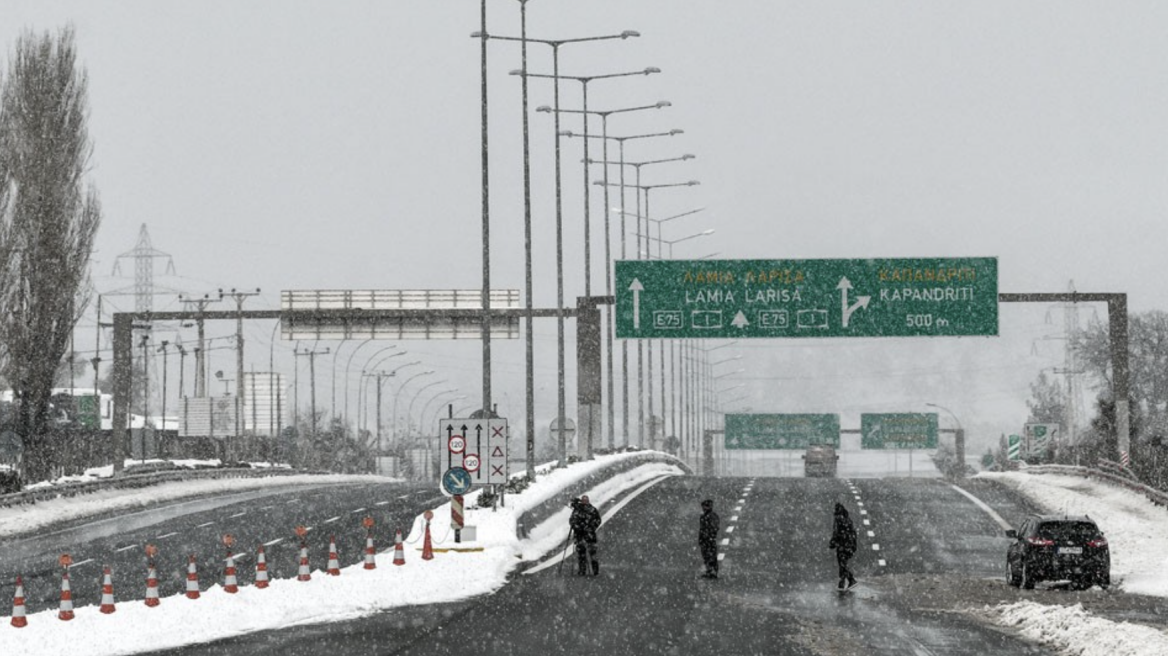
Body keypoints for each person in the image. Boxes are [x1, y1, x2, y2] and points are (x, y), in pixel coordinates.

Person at [569, 495, 601, 576]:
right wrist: (577, 527)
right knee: (581, 553)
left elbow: (598, 520)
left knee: (592, 552)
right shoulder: (578, 510)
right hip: (581, 534)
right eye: (583, 500)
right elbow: (572, 521)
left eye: (586, 500)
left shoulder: (592, 510)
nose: (585, 502)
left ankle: (595, 570)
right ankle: (582, 570)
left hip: (589, 534)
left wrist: (591, 527)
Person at [829, 502, 858, 590]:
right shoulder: (848, 519)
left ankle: (850, 580)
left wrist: (833, 542)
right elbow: (853, 533)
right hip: (849, 545)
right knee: (843, 563)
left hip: (843, 545)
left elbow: (836, 533)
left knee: (842, 564)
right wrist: (853, 545)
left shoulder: (838, 519)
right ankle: (842, 583)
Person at [698, 499, 720, 579]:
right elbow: (702, 529)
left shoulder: (711, 516)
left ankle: (713, 571)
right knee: (706, 555)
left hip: (709, 539)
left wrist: (709, 535)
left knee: (711, 555)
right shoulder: (704, 516)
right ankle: (710, 571)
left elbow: (714, 528)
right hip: (706, 539)